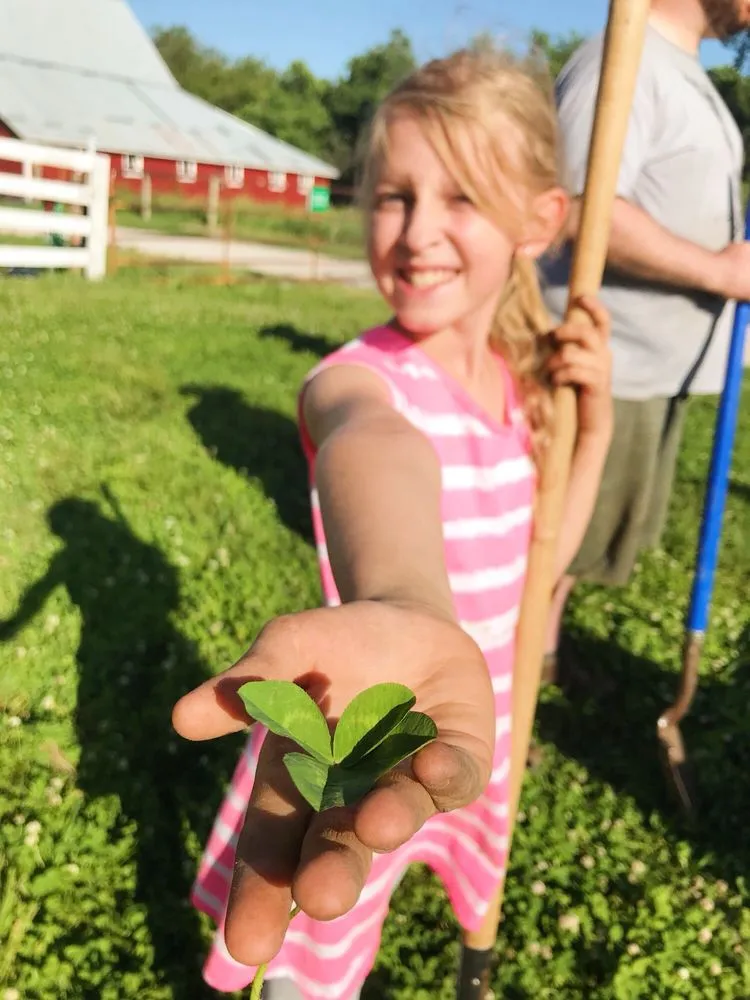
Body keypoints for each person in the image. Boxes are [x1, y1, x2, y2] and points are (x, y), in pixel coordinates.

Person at [172, 46, 612, 1000]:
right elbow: (372, 445)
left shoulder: (524, 385)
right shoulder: (360, 380)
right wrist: (408, 595)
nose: (416, 232)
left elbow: (545, 563)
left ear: (540, 221)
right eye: (393, 196)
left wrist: (597, 430)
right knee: (326, 906)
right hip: (366, 722)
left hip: (473, 717)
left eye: (461, 198)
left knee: (434, 833)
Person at [540, 0, 750, 680]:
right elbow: (576, 208)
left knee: (581, 544)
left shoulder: (679, 70)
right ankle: (509, 675)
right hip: (609, 365)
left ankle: (538, 654)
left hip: (649, 372)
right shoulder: (620, 58)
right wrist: (718, 270)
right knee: (552, 541)